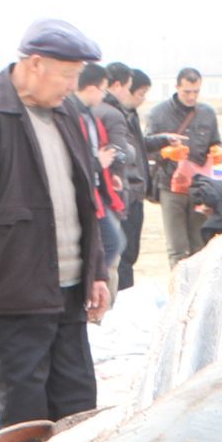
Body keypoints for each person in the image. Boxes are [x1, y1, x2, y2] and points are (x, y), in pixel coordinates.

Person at [0, 20, 111, 429]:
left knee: (79, 403)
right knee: (24, 410)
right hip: (15, 293)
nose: (72, 85)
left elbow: (87, 199)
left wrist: (96, 272)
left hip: (70, 292)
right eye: (67, 75)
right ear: (35, 64)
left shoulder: (68, 113)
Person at [145, 68, 222, 269]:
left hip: (200, 187)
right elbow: (144, 148)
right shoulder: (158, 114)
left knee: (200, 245)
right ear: (177, 87)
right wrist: (165, 153)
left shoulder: (207, 114)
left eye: (196, 92)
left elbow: (216, 142)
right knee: (177, 249)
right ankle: (179, 294)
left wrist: (217, 151)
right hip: (170, 185)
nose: (191, 96)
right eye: (187, 91)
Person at [94, 63, 150, 292]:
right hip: (119, 192)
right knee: (120, 256)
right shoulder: (112, 113)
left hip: (114, 191)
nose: (131, 94)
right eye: (129, 88)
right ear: (116, 85)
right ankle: (122, 308)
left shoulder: (108, 111)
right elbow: (124, 152)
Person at [74, 64, 128, 290]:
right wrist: (98, 164)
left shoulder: (89, 115)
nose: (104, 95)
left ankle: (92, 285)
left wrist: (107, 175)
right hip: (85, 194)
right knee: (112, 242)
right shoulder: (72, 115)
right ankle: (91, 286)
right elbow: (75, 159)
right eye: (103, 90)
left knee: (111, 243)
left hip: (98, 189)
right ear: (92, 87)